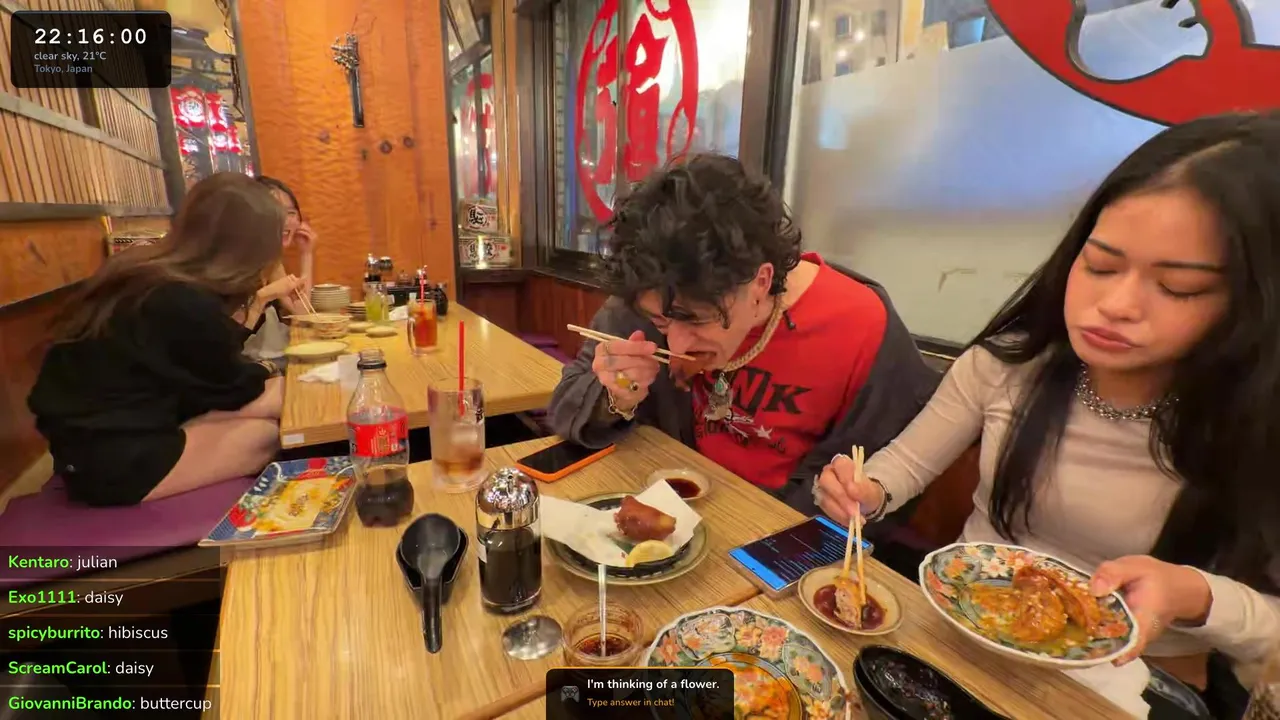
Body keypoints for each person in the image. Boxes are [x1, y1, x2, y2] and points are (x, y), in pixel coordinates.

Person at [813, 114, 1280, 708]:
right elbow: (901, 467)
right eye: (1100, 265)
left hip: (1127, 679)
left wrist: (1195, 594)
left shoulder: (1258, 425)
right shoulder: (1005, 366)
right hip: (962, 635)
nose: (1115, 304)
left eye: (1177, 287)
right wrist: (865, 490)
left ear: (1255, 300)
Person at [549, 154, 940, 508]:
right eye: (663, 322)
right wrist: (615, 398)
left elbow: (883, 478)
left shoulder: (860, 325)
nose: (676, 342)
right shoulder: (649, 296)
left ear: (761, 282)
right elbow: (565, 407)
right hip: (666, 509)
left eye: (696, 319)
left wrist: (841, 498)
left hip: (783, 532)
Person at [29, 173, 288, 506]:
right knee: (265, 434)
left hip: (85, 445)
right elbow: (234, 389)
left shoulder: (144, 271)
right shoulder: (182, 300)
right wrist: (275, 378)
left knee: (268, 405)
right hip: (112, 462)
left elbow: (210, 377)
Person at [242, 176, 318, 329]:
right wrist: (262, 297)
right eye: (275, 212)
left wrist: (306, 254)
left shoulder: (271, 261)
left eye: (291, 212)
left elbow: (301, 312)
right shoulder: (235, 265)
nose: (286, 220)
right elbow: (230, 337)